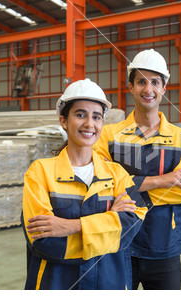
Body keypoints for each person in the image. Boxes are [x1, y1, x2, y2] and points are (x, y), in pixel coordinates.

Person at [22, 78, 148, 290]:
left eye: (96, 117)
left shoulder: (116, 173)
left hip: (108, 284)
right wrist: (110, 225)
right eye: (80, 114)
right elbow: (44, 242)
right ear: (64, 121)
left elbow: (131, 227)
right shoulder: (40, 172)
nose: (89, 124)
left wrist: (71, 226)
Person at [94, 49, 181, 290]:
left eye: (154, 82)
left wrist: (127, 188)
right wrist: (162, 181)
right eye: (141, 81)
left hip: (165, 246)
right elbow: (101, 188)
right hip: (119, 242)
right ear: (130, 87)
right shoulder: (109, 135)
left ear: (164, 88)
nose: (147, 89)